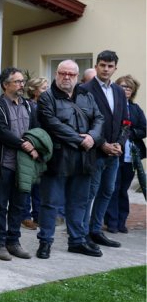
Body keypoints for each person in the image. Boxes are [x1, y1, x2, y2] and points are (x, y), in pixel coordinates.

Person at [36, 60, 104, 259]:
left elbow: (99, 119)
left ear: (77, 76)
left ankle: (77, 241)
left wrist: (92, 137)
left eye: (71, 74)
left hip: (84, 159)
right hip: (57, 159)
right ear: (56, 73)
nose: (66, 77)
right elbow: (52, 124)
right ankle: (45, 242)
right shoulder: (47, 97)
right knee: (50, 203)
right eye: (62, 73)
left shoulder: (86, 95)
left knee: (79, 202)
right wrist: (79, 140)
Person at [81, 50, 128, 248]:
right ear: (96, 65)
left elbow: (126, 121)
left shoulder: (118, 91)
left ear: (115, 68)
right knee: (89, 194)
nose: (106, 69)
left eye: (110, 66)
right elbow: (83, 124)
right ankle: (81, 235)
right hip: (94, 152)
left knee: (107, 192)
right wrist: (103, 145)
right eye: (102, 65)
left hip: (114, 154)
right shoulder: (85, 89)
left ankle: (96, 230)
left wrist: (119, 143)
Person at [0, 67, 35, 261]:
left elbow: (35, 129)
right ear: (5, 85)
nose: (21, 85)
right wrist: (25, 145)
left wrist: (35, 143)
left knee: (19, 204)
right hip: (5, 163)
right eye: (17, 82)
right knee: (1, 204)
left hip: (24, 165)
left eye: (22, 81)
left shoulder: (28, 105)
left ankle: (13, 241)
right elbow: (1, 132)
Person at [106, 75, 146, 233]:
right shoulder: (112, 106)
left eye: (129, 88)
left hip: (131, 156)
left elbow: (144, 128)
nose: (126, 90)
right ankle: (111, 222)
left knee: (123, 189)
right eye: (123, 87)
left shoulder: (136, 109)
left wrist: (130, 133)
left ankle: (121, 221)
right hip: (114, 153)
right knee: (112, 188)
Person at [21, 77, 49, 230]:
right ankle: (25, 216)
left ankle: (38, 214)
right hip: (30, 149)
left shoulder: (45, 106)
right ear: (34, 90)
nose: (47, 91)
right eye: (43, 88)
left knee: (38, 185)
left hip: (42, 150)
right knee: (28, 184)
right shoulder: (29, 106)